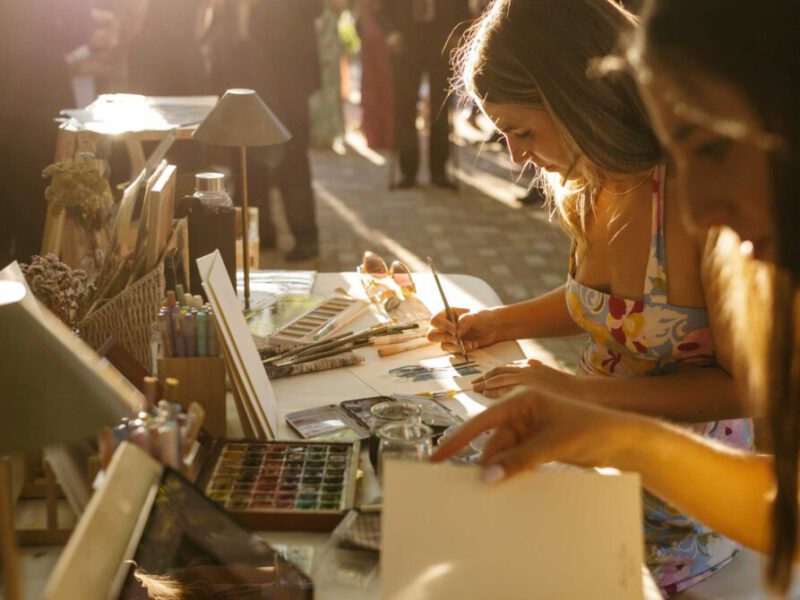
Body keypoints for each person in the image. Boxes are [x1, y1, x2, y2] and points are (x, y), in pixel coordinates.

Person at [434, 0, 800, 596]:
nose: (700, 209)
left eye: (713, 149)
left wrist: (591, 406)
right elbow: (786, 504)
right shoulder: (595, 185)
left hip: (679, 542)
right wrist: (597, 423)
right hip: (617, 495)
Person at [207, 0, 323, 263]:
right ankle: (259, 231)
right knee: (246, 152)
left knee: (291, 152)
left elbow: (315, 7)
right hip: (243, 69)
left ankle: (305, 234)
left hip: (287, 70)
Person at [380, 0, 470, 188]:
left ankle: (439, 171)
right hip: (405, 41)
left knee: (441, 106)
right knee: (405, 107)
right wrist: (390, 32)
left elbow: (462, 5)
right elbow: (383, 7)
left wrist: (458, 32)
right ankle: (408, 171)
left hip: (441, 39)